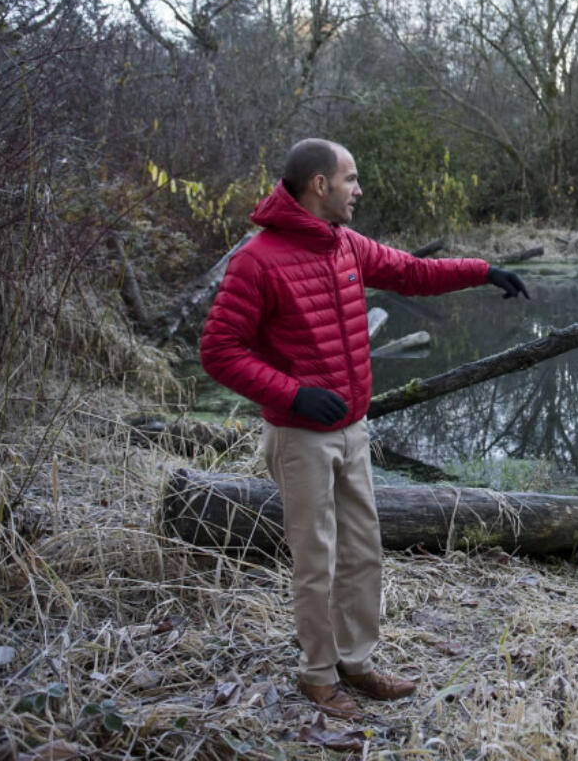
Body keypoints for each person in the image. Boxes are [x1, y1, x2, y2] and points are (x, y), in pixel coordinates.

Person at [200, 138, 528, 718]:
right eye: (350, 179)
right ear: (319, 185)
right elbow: (219, 350)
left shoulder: (345, 244)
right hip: (300, 437)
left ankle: (357, 662)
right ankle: (318, 675)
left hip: (353, 430)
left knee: (362, 552)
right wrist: (295, 394)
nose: (359, 189)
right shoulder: (257, 260)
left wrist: (484, 272)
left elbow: (413, 272)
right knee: (315, 558)